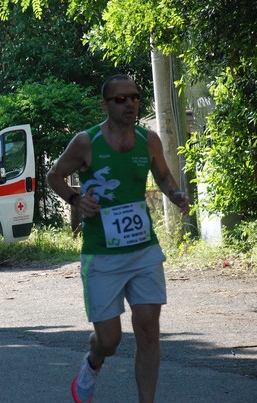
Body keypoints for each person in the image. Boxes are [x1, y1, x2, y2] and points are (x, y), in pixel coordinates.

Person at [46, 74, 190, 403]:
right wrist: (75, 199)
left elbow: (164, 176)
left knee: (149, 329)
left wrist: (176, 194)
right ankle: (92, 363)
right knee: (110, 341)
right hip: (102, 255)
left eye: (135, 97)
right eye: (121, 99)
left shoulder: (148, 140)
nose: (130, 104)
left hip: (143, 250)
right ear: (105, 105)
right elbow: (54, 175)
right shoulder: (87, 142)